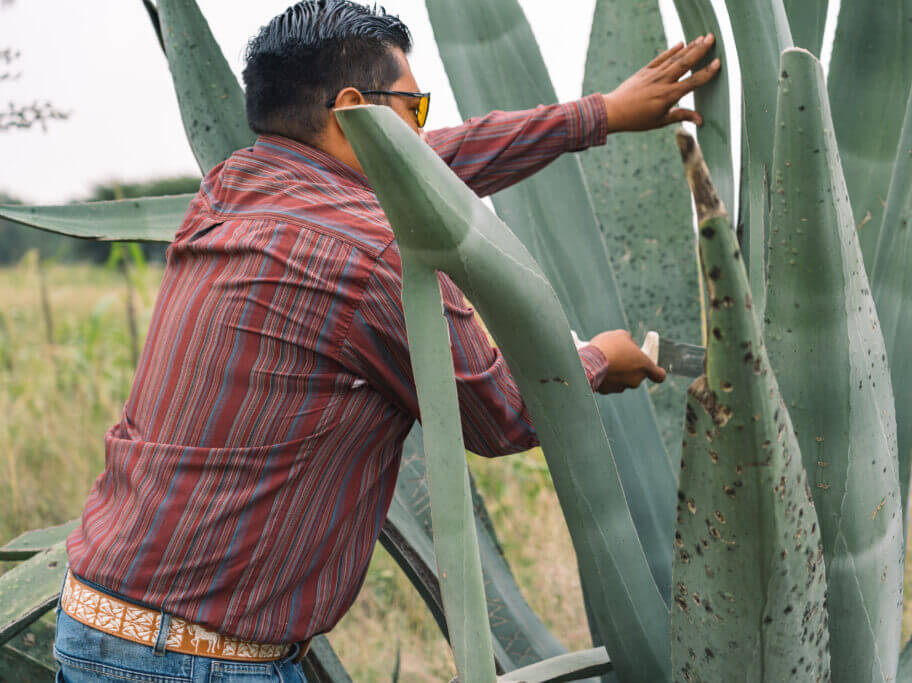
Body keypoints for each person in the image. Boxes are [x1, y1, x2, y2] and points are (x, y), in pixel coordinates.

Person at [52, 2, 720, 680]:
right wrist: (602, 358)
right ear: (351, 109)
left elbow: (428, 164)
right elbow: (503, 411)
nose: (424, 128)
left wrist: (600, 113)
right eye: (414, 109)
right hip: (196, 663)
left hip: (99, 622)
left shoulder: (231, 188)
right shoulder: (373, 255)